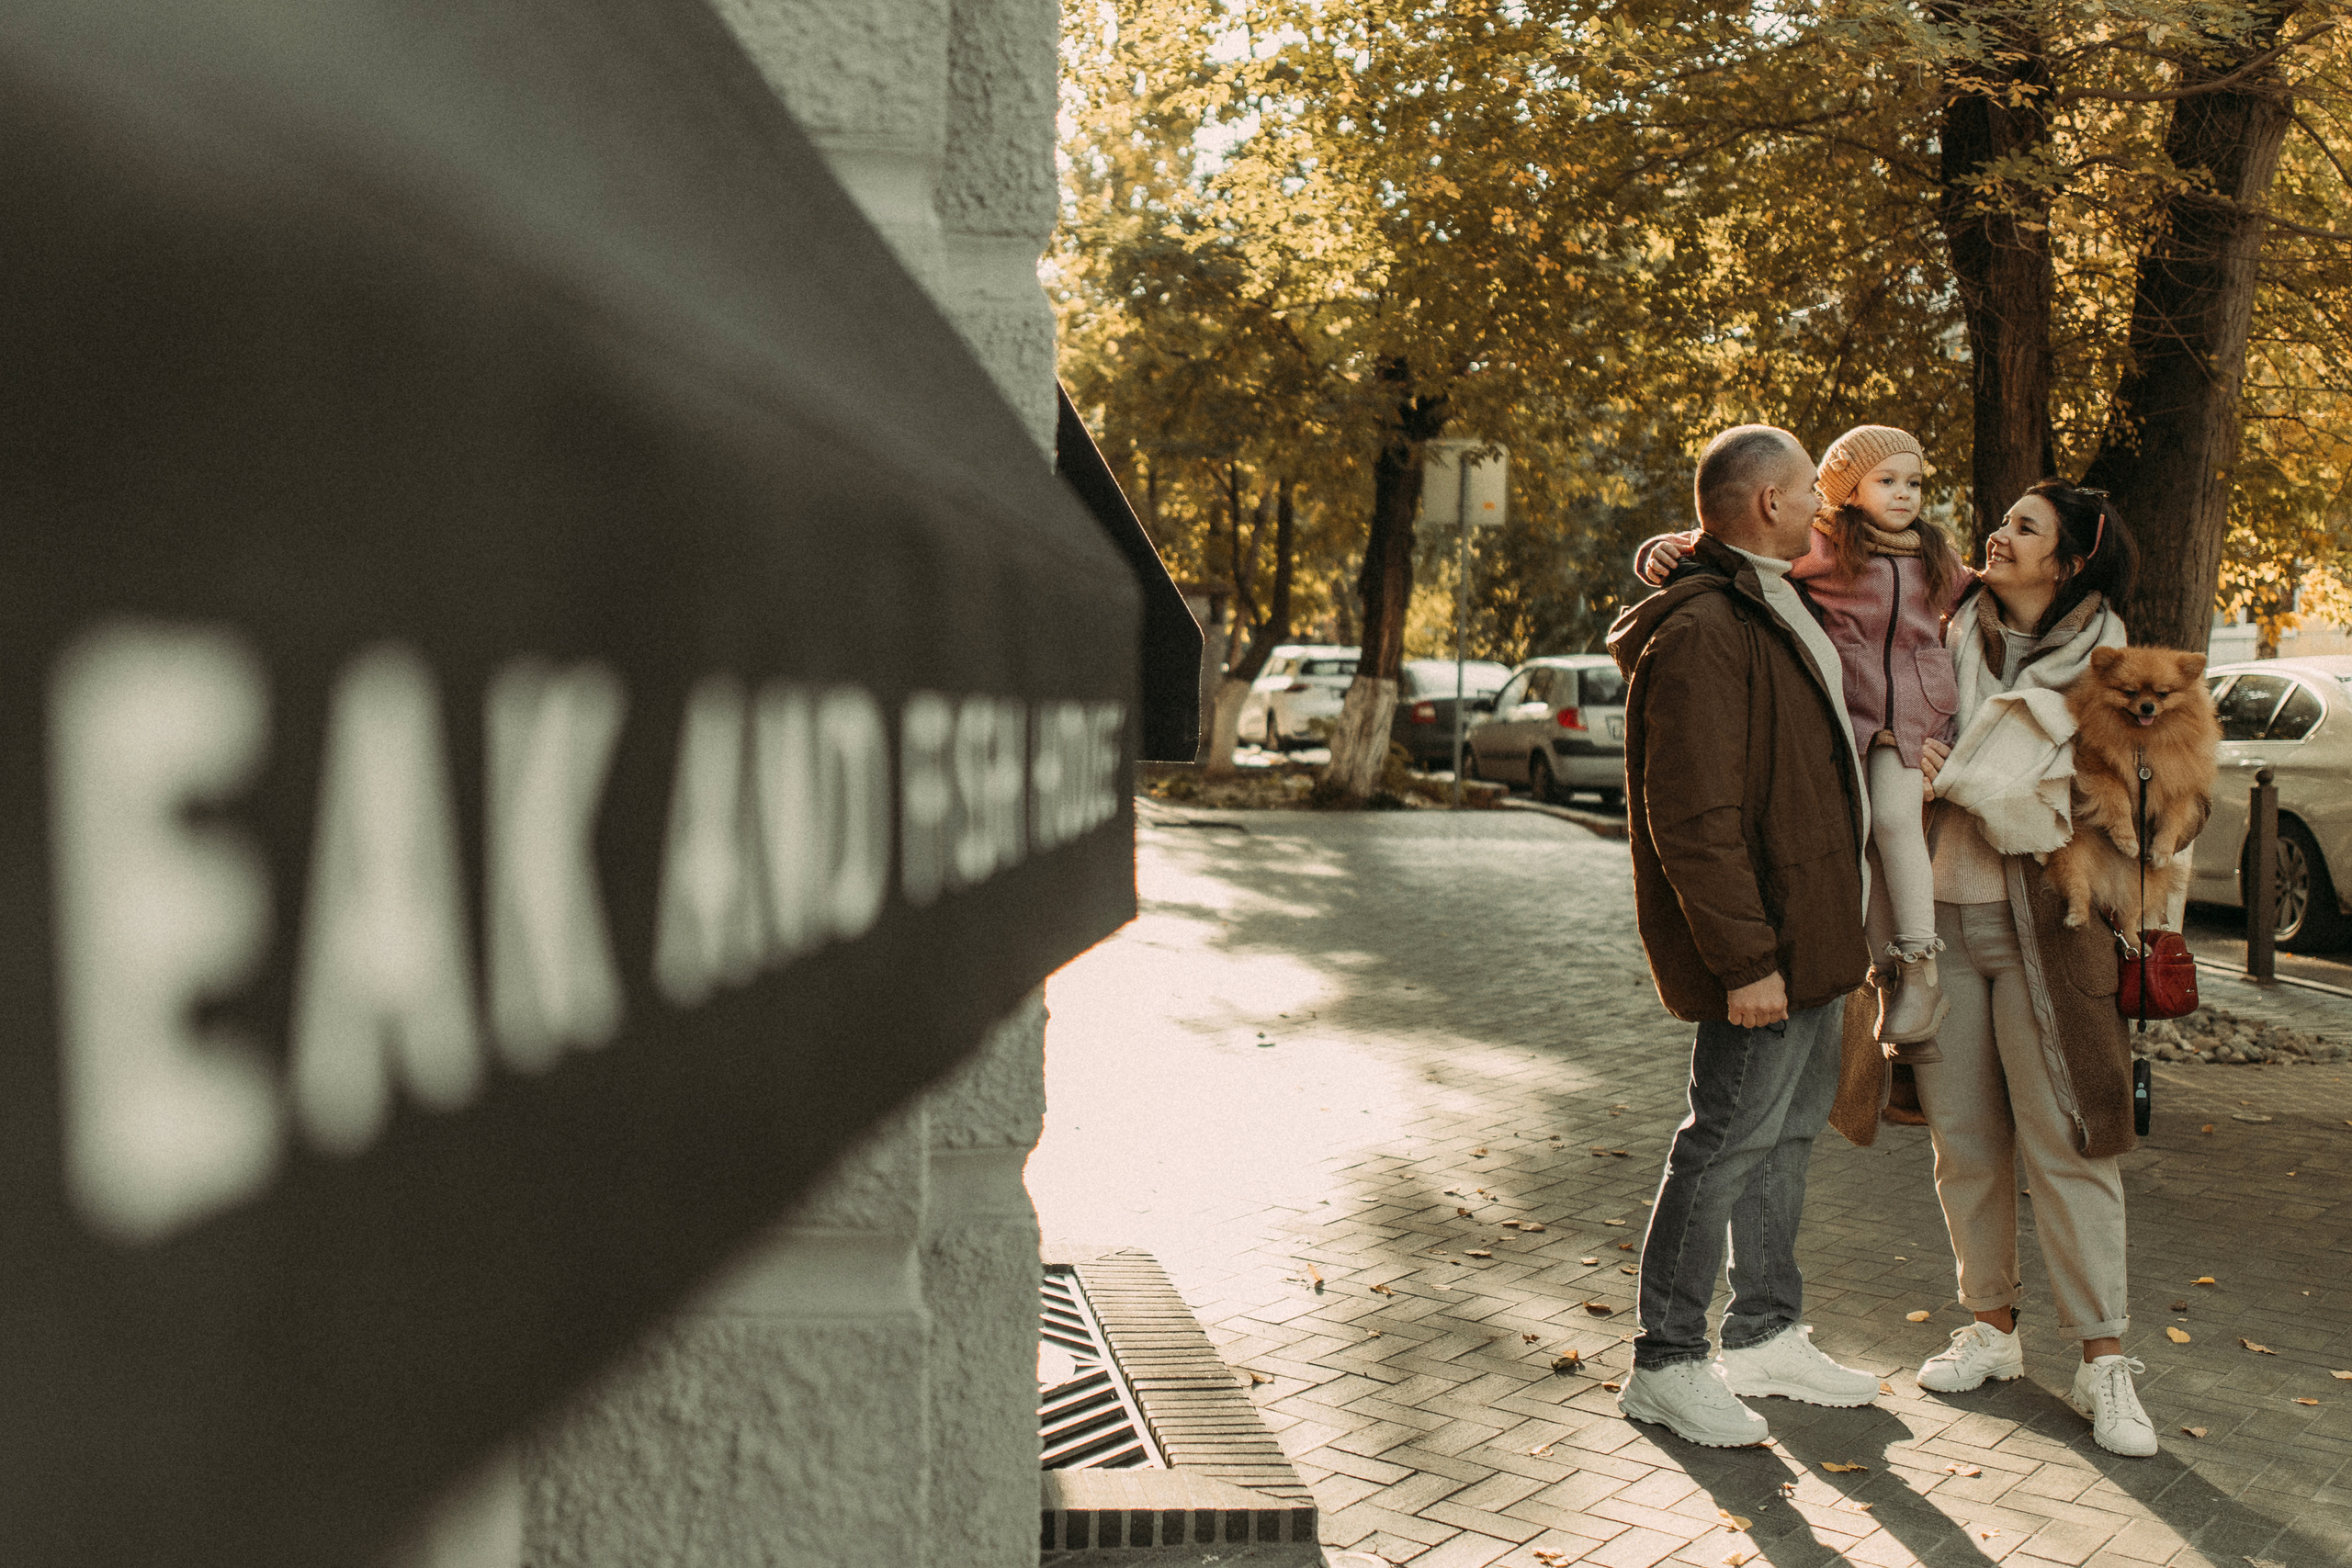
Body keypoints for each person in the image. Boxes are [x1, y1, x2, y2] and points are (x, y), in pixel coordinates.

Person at [1827, 479, 2157, 1458]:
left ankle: (2103, 1361)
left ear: (2068, 562)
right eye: (2002, 521)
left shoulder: (2112, 663)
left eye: (2024, 528)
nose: (1996, 535)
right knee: (1963, 1143)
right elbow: (1823, 559)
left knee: (2068, 1142)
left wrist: (1980, 775)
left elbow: (2127, 806)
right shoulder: (1938, 615)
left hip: (2050, 937)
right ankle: (1992, 1330)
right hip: (1932, 925)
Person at [1603, 425, 1880, 1448]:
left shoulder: (1769, 595)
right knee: (1720, 1143)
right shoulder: (1707, 629)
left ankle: (1764, 1332)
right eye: (1811, 488)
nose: (1826, 504)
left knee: (1784, 1138)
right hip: (1763, 950)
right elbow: (1694, 817)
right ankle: (1665, 1362)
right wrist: (1745, 961)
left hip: (1812, 936)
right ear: (1768, 503)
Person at [1635, 426, 1966, 1057]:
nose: (1904, 495)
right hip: (1854, 714)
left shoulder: (1935, 555)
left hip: (1914, 718)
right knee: (1858, 843)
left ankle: (1920, 968)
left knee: (1895, 824)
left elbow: (1986, 597)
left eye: (1914, 482)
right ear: (1844, 492)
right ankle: (1886, 978)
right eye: (1886, 480)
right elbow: (1729, 544)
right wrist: (1662, 548)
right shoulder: (1825, 544)